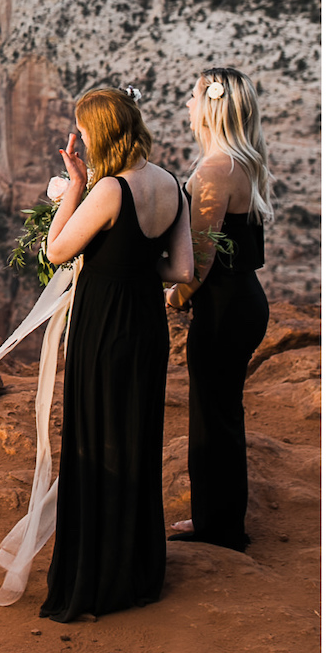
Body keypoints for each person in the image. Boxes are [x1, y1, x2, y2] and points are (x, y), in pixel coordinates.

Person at [38, 86, 194, 621]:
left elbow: (57, 251)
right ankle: (138, 568)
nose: (75, 136)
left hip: (104, 327)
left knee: (96, 439)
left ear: (97, 134)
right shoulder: (173, 184)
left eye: (80, 128)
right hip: (148, 326)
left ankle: (96, 578)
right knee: (136, 437)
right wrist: (134, 267)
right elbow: (181, 271)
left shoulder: (108, 191)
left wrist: (76, 186)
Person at [168, 67, 272, 551]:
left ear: (210, 107)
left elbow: (202, 257)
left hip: (225, 306)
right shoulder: (240, 162)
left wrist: (175, 297)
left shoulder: (215, 169)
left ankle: (220, 528)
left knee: (213, 413)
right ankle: (217, 517)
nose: (188, 104)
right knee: (222, 410)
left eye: (193, 97)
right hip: (242, 300)